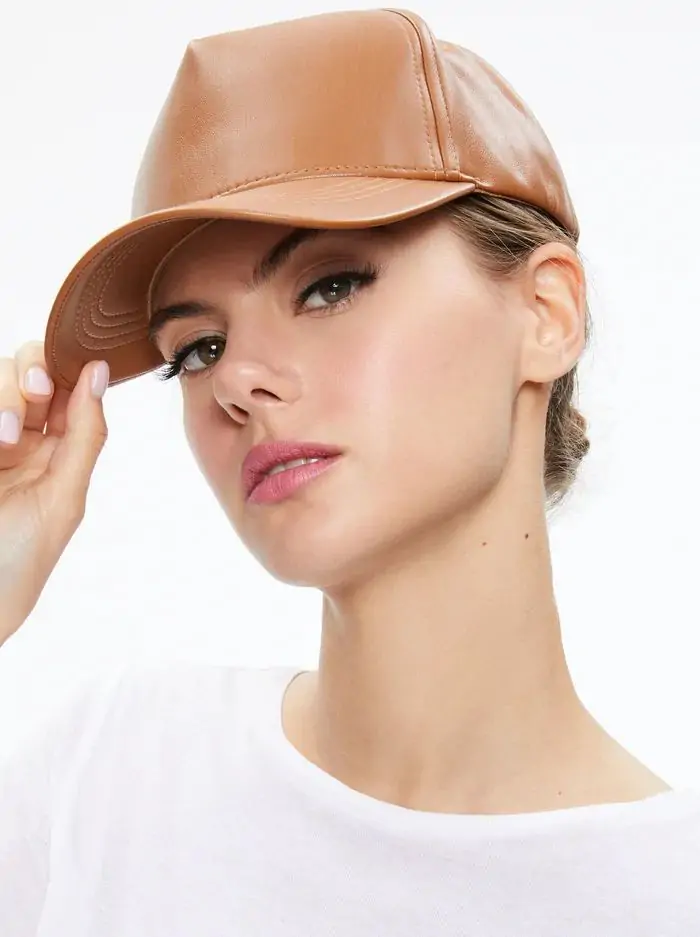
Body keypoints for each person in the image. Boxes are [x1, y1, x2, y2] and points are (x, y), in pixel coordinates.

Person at [0, 7, 698, 935]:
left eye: (329, 286)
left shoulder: (669, 895)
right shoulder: (108, 781)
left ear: (546, 314)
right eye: (199, 347)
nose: (237, 382)